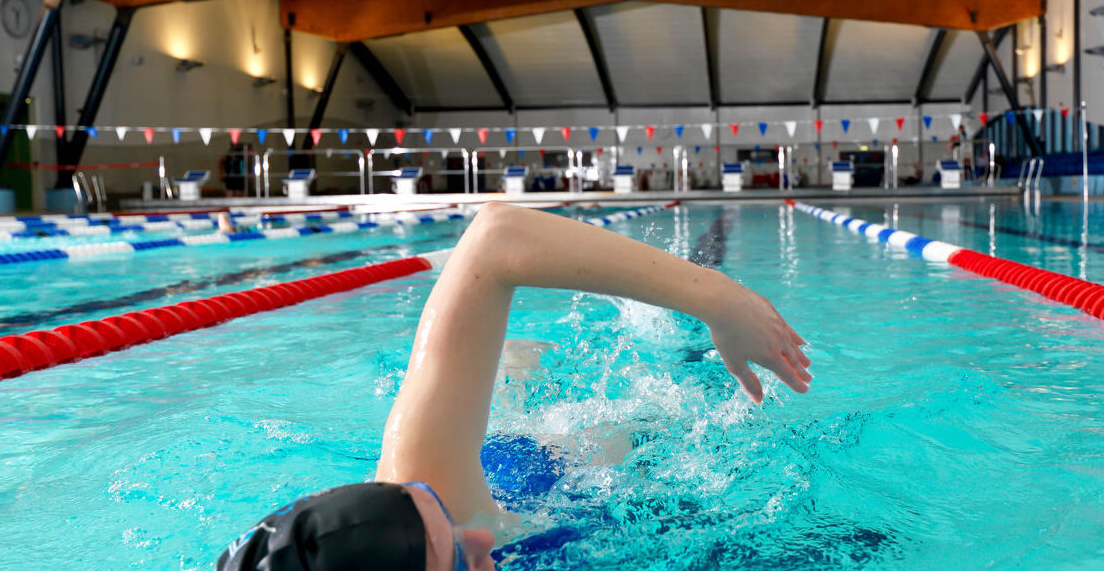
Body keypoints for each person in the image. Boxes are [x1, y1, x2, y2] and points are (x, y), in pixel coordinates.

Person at [216, 203, 813, 571]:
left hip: (530, 470)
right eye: (453, 558)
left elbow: (496, 236)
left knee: (629, 434)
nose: (482, 540)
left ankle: (507, 376)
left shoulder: (426, 479)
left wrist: (719, 299)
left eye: (445, 519)